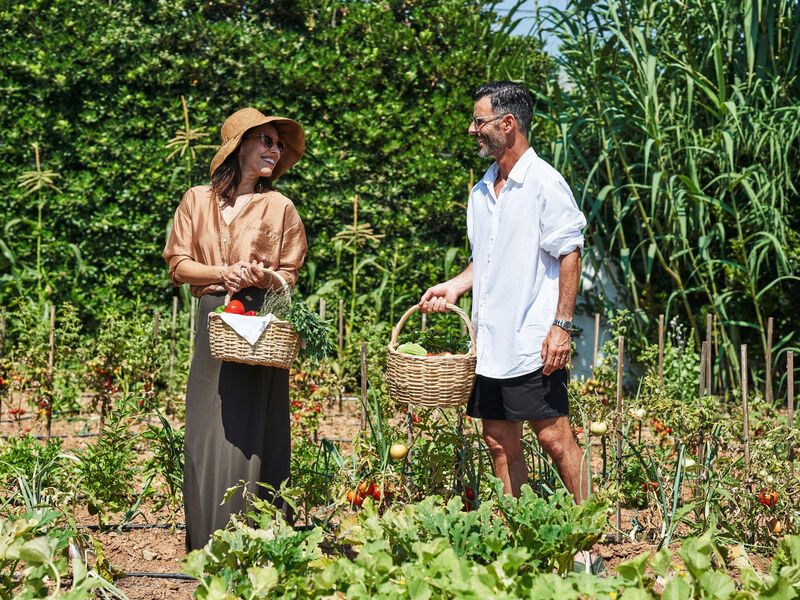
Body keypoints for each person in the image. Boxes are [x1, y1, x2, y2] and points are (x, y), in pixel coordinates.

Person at [419, 82, 603, 573]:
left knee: (554, 438)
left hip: (531, 339)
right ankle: (522, 543)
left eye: (480, 121)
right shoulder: (483, 188)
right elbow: (488, 260)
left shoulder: (544, 182)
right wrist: (455, 286)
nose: (473, 129)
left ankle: (590, 545)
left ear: (509, 124)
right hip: (490, 342)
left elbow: (570, 251)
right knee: (499, 441)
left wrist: (561, 326)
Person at [163, 107, 307, 551]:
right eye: (266, 140)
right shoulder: (196, 200)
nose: (274, 149)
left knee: (253, 429)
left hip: (259, 323)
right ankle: (206, 542)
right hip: (215, 316)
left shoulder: (280, 206)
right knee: (207, 428)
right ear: (238, 145)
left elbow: (291, 275)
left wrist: (263, 278)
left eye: (278, 144)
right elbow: (178, 264)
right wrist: (222, 272)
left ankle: (258, 540)